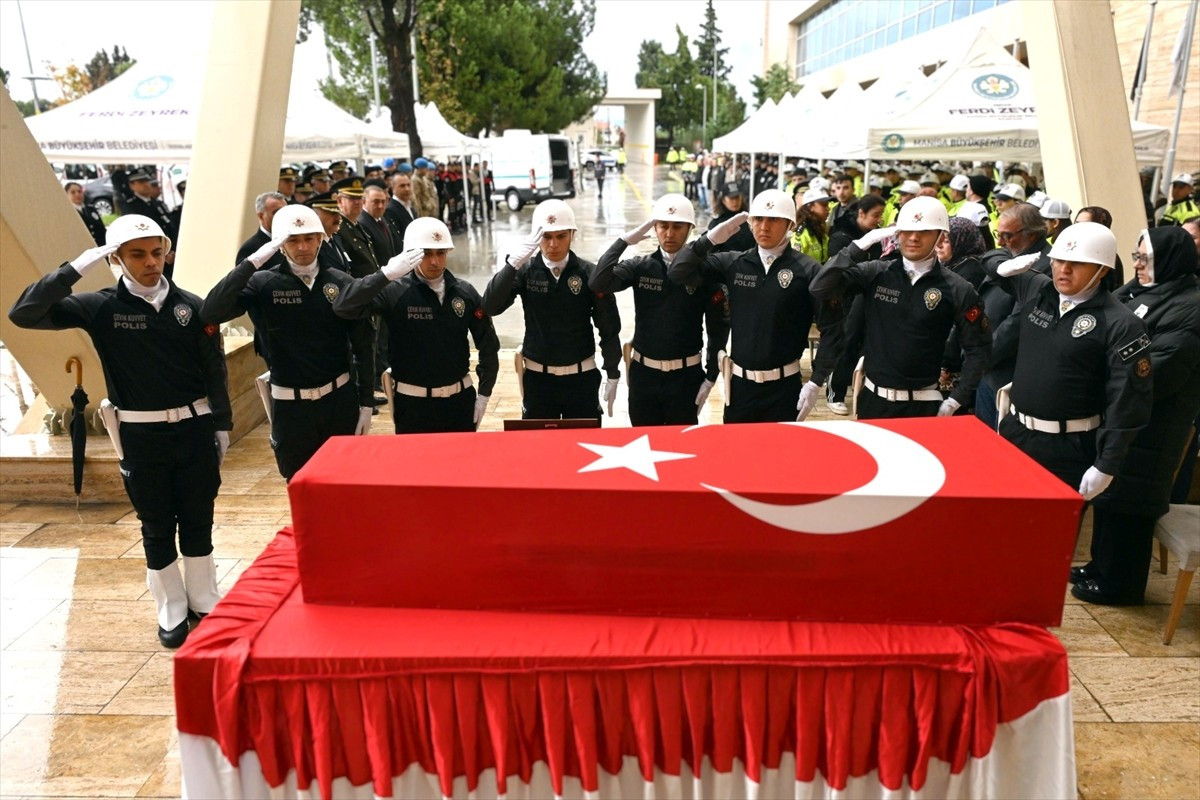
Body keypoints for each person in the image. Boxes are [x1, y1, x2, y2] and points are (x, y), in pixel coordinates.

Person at [9, 215, 230, 649]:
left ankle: (204, 597)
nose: (151, 262)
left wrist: (222, 423)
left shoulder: (191, 305)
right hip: (141, 435)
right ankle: (171, 606)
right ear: (116, 259)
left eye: (157, 252)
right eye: (138, 254)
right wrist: (76, 267)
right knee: (156, 522)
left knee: (198, 515)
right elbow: (24, 313)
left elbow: (214, 369)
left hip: (194, 428)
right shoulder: (101, 307)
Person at [200, 205, 374, 481]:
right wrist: (251, 263)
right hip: (291, 407)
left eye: (309, 238)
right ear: (280, 244)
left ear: (320, 239)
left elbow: (363, 346)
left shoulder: (341, 281)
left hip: (338, 402)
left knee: (344, 482)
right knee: (299, 482)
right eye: (293, 240)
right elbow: (211, 311)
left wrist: (365, 403)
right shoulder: (262, 283)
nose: (302, 247)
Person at [1074, 227, 1200, 605]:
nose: (1138, 265)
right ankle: (1099, 567)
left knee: (1131, 503)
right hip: (1120, 414)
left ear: (1170, 261)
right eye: (1136, 256)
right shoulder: (1141, 290)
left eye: (1146, 259)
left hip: (1154, 424)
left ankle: (1121, 585)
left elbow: (1160, 370)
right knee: (1109, 496)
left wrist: (1100, 377)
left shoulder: (1189, 306)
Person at [986, 222, 1151, 502]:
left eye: (1077, 263)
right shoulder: (1038, 290)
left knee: (1050, 528)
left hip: (1069, 449)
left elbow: (1128, 402)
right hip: (1016, 432)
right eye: (1059, 260)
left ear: (1102, 270)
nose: (1064, 270)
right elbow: (987, 258)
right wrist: (1003, 266)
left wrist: (1106, 464)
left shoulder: (1121, 324)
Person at [668, 189, 844, 424]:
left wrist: (816, 381)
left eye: (773, 219)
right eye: (758, 219)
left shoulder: (809, 270)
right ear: (750, 223)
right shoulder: (734, 263)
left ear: (790, 224)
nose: (764, 226)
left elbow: (833, 328)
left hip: (784, 389)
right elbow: (678, 272)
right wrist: (707, 240)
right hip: (740, 388)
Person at [812, 196, 991, 420]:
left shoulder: (958, 288)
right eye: (906, 231)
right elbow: (820, 288)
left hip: (924, 406)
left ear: (940, 236)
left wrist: (957, 398)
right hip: (873, 401)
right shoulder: (876, 272)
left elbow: (979, 348)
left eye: (924, 232)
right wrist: (856, 248)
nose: (913, 238)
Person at [334, 217, 500, 433]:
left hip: (460, 403)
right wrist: (385, 275)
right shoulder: (394, 292)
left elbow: (488, 345)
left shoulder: (465, 292)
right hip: (413, 406)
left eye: (440, 253)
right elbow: (344, 307)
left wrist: (484, 394)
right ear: (411, 254)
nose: (434, 261)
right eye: (426, 254)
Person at [591, 193, 730, 425]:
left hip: (686, 377)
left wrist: (710, 376)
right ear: (655, 228)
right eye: (663, 226)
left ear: (690, 229)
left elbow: (718, 329)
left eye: (677, 227)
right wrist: (623, 242)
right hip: (644, 376)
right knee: (644, 439)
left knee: (681, 443)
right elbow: (598, 282)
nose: (669, 233)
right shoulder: (640, 267)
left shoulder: (705, 271)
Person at [482, 199, 622, 422]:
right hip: (538, 380)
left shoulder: (590, 273)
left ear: (572, 235)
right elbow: (491, 306)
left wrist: (612, 370)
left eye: (561, 236)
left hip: (582, 379)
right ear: (536, 238)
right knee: (539, 443)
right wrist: (512, 265)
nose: (553, 244)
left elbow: (608, 327)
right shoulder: (525, 272)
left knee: (583, 442)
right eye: (546, 237)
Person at [974, 203, 1052, 429]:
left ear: (1032, 234)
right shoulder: (1010, 255)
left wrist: (982, 355)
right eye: (998, 234)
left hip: (1007, 373)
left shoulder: (1043, 265)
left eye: (1008, 235)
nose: (1000, 241)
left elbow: (1017, 323)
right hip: (990, 369)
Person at [330, 177, 379, 278]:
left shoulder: (357, 224)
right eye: (352, 198)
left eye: (359, 197)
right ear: (339, 201)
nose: (357, 202)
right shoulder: (338, 229)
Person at [707, 182, 755, 253]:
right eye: (731, 198)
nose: (735, 201)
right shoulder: (716, 223)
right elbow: (710, 251)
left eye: (737, 197)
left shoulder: (751, 220)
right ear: (723, 200)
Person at [358, 183, 398, 265]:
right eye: (376, 202)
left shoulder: (381, 218)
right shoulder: (362, 223)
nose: (380, 206)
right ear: (364, 201)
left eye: (383, 202)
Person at [792, 186, 832, 263]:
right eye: (824, 205)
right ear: (810, 207)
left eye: (828, 205)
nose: (828, 208)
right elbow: (795, 263)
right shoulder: (801, 234)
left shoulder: (821, 230)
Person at [65, 181, 107, 246]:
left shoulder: (91, 209)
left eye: (79, 191)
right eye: (73, 192)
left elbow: (101, 229)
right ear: (67, 195)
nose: (77, 194)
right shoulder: (69, 214)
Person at [386, 169, 417, 245]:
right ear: (393, 188)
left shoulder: (410, 205)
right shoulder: (390, 210)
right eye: (402, 186)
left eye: (408, 185)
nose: (407, 189)